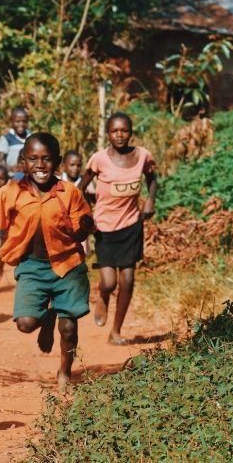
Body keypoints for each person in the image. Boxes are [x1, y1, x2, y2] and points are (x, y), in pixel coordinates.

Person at [0, 133, 95, 389]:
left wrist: (85, 228)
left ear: (59, 162)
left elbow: (80, 230)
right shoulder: (12, 191)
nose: (40, 165)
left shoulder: (70, 193)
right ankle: (46, 316)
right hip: (32, 266)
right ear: (23, 162)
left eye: (47, 159)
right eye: (33, 159)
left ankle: (65, 371)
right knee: (25, 324)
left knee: (68, 328)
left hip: (67, 265)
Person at [78, 112, 157, 346]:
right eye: (114, 131)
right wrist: (86, 214)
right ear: (108, 134)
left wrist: (150, 200)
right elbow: (79, 187)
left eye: (124, 130)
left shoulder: (142, 156)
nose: (119, 135)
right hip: (104, 227)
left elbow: (152, 179)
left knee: (128, 279)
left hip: (131, 224)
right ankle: (102, 295)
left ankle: (116, 331)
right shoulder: (99, 159)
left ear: (131, 132)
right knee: (110, 282)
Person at [61, 150, 93, 256]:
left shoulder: (85, 183)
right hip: (61, 226)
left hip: (80, 226)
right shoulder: (57, 182)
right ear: (63, 166)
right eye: (72, 165)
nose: (75, 168)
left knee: (80, 254)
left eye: (79, 165)